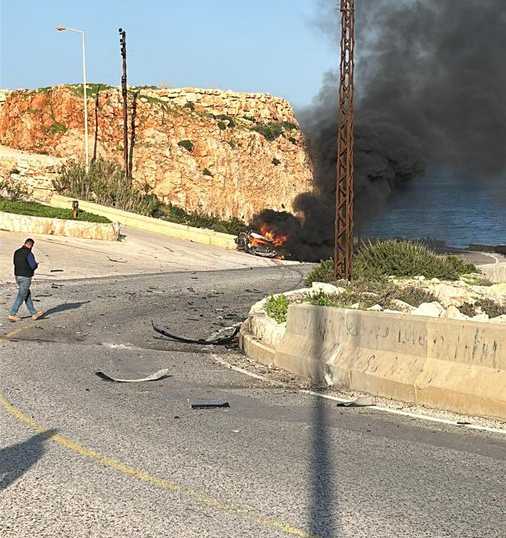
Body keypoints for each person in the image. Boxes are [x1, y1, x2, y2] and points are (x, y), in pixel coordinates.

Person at [8, 238, 44, 322]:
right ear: (30, 245)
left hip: (17, 276)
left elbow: (15, 263)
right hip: (25, 277)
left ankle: (33, 313)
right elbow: (32, 266)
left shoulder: (16, 252)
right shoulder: (29, 253)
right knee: (21, 295)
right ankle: (12, 314)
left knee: (26, 294)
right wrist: (36, 265)